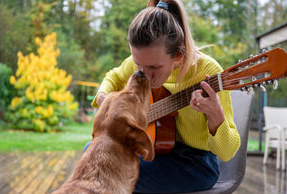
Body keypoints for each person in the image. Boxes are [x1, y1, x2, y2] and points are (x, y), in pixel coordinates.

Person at [91, 0, 240, 193]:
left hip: (195, 163)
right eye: (138, 65)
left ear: (178, 55)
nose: (143, 75)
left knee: (115, 172)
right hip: (152, 150)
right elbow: (115, 76)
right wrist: (103, 96)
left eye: (154, 67)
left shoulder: (208, 72)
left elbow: (227, 153)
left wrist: (215, 116)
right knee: (93, 152)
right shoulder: (144, 61)